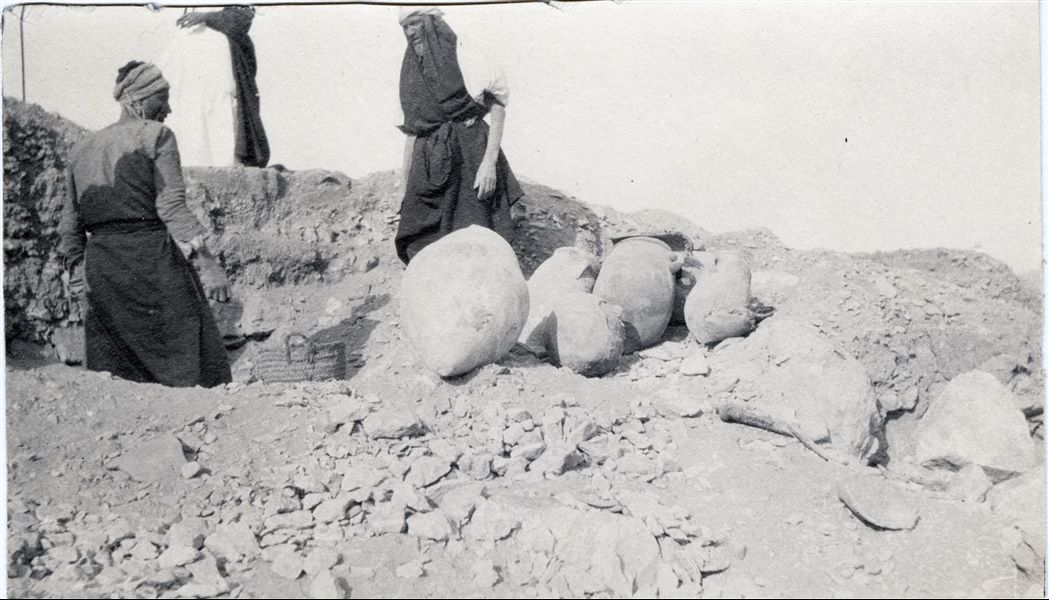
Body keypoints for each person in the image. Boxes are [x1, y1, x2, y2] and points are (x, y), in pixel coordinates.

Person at [58, 61, 232, 388]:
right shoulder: (157, 135)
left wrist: (77, 270)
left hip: (103, 265)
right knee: (189, 339)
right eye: (162, 98)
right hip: (150, 258)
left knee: (113, 361)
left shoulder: (81, 148)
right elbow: (170, 204)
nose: (168, 108)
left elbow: (71, 221)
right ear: (138, 101)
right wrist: (208, 264)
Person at [394, 7, 525, 263]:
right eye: (405, 27)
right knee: (422, 237)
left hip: (470, 151)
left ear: (432, 21)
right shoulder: (409, 71)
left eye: (415, 23)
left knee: (477, 233)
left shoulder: (465, 52)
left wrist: (489, 164)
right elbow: (411, 132)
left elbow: (497, 106)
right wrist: (404, 185)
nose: (411, 32)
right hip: (428, 159)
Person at [159, 6, 270, 168]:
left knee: (220, 114)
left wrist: (206, 16)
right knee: (186, 113)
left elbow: (242, 18)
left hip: (219, 57)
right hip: (188, 56)